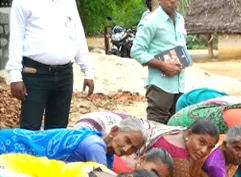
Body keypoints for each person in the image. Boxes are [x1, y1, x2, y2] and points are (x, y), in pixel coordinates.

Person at [5, 0, 94, 130]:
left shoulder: (68, 2)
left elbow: (78, 36)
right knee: (30, 128)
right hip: (35, 74)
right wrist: (15, 76)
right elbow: (16, 39)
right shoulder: (23, 2)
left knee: (58, 130)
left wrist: (88, 70)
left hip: (65, 75)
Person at [131, 0, 189, 124]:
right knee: (156, 126)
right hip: (160, 86)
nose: (173, 1)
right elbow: (136, 51)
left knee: (176, 126)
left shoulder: (180, 19)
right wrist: (163, 66)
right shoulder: (151, 21)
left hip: (180, 85)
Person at [0, 120, 146, 168]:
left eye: (133, 148)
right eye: (127, 141)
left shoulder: (102, 146)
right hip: (11, 146)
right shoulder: (95, 146)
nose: (127, 149)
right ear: (114, 130)